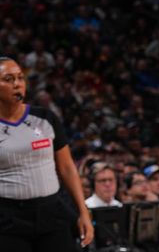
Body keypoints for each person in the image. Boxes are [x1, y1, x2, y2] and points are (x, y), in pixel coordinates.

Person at [0, 56, 94, 251]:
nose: (17, 84)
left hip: (52, 212)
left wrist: (83, 212)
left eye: (20, 78)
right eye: (8, 79)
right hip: (8, 218)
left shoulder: (45, 118)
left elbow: (67, 168)